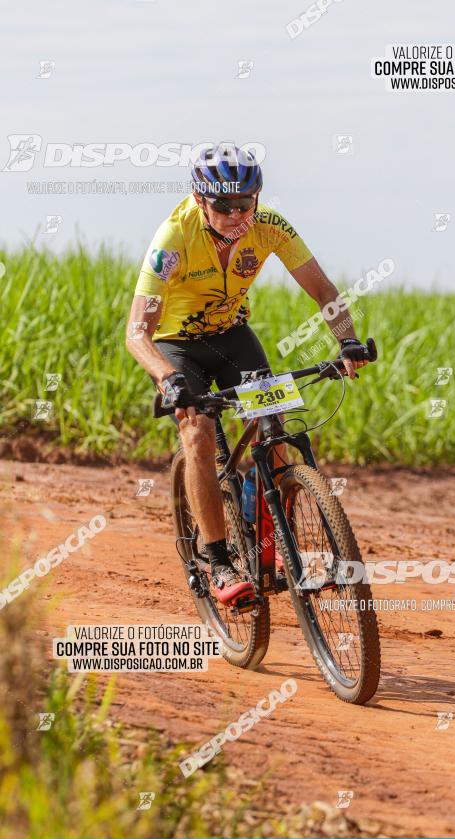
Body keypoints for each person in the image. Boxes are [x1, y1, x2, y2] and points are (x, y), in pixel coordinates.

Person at [126, 142, 368, 605]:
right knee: (196, 433)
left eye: (245, 203)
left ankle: (273, 539)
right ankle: (217, 561)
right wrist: (166, 377)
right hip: (179, 348)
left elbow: (322, 290)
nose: (237, 214)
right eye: (224, 205)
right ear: (200, 200)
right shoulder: (172, 240)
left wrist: (347, 340)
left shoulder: (270, 226)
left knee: (276, 427)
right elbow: (137, 333)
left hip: (233, 337)